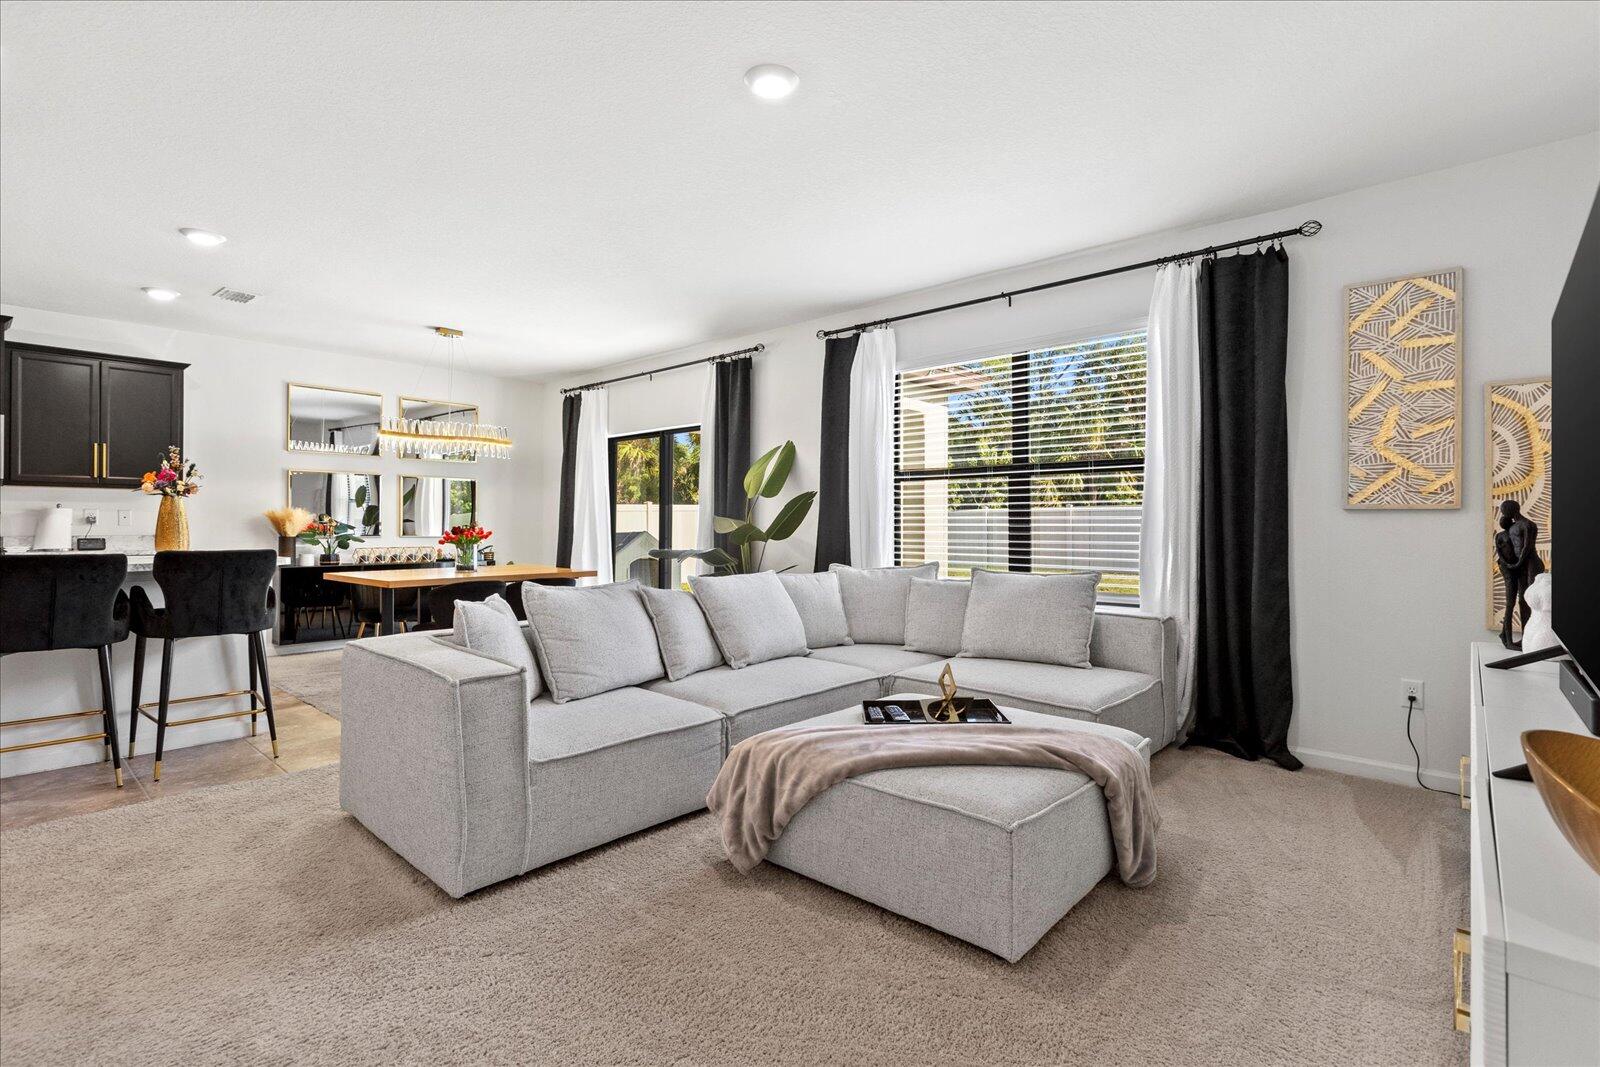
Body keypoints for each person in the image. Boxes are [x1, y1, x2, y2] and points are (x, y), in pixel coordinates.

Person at [1494, 499, 1546, 649]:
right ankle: (1525, 638)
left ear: (1511, 510)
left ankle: (1530, 638)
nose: (1503, 514)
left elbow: (1527, 548)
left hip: (1530, 564)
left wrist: (1517, 563)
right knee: (1523, 601)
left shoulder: (1527, 524)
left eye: (1504, 511)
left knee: (1530, 602)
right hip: (1521, 566)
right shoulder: (1512, 528)